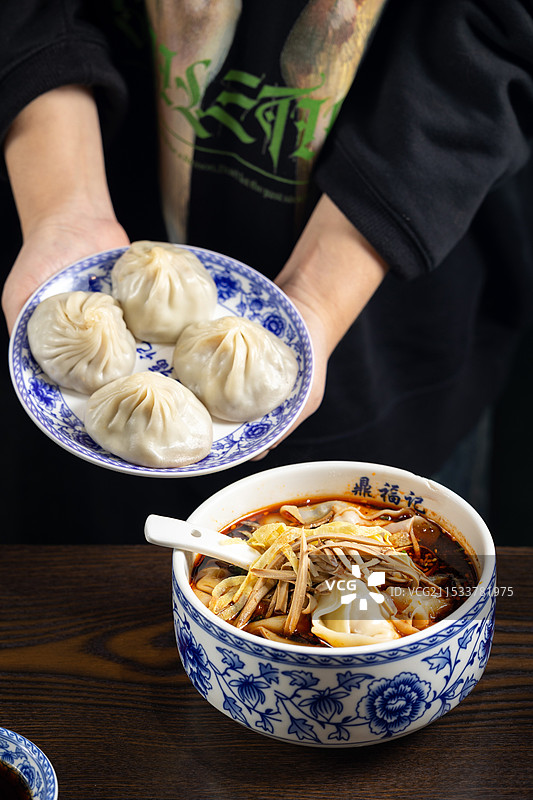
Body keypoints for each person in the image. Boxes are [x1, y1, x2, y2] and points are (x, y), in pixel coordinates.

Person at [1, 0, 532, 543]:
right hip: (79, 156)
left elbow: (499, 30)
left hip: (385, 340)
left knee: (379, 578)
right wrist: (62, 211)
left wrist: (319, 298)